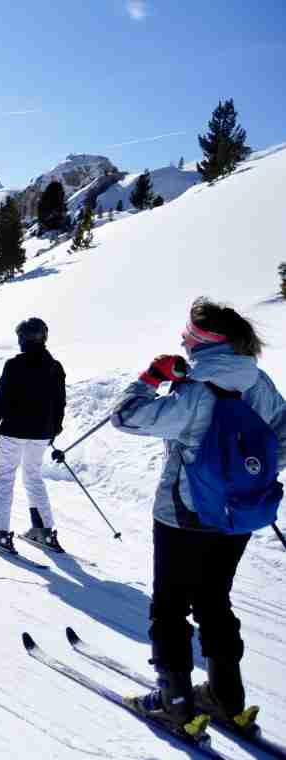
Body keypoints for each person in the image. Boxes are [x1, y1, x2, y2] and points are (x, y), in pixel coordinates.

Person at [111, 298, 286, 730]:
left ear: (204, 341)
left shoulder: (195, 391)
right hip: (238, 515)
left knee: (170, 605)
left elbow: (125, 418)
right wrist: (245, 478)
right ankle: (227, 698)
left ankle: (174, 701)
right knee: (214, 598)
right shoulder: (258, 381)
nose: (182, 340)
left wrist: (150, 378)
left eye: (187, 335)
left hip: (184, 515)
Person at [0, 317, 67, 552]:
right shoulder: (55, 367)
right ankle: (43, 530)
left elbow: (3, 396)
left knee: (5, 477)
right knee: (33, 476)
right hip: (41, 433)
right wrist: (54, 429)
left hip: (14, 430)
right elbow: (60, 402)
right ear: (43, 338)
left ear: (22, 339)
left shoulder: (15, 365)